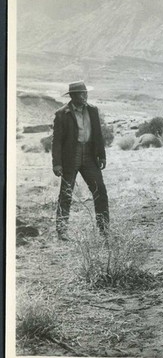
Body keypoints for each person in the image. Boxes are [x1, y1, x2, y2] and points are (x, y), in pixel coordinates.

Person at [52, 81, 109, 240]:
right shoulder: (62, 114)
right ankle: (62, 231)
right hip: (70, 156)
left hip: (90, 156)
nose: (85, 96)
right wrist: (57, 163)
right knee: (66, 193)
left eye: (86, 93)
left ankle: (104, 229)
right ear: (73, 96)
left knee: (100, 191)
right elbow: (56, 141)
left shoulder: (93, 110)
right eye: (81, 93)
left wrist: (102, 155)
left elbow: (98, 135)